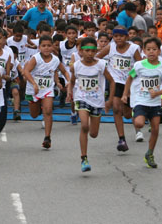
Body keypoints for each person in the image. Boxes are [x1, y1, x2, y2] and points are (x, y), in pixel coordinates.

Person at [122, 37, 162, 169]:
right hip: (140, 100)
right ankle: (135, 113)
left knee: (155, 128)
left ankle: (150, 154)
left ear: (159, 51)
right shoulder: (139, 65)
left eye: (154, 49)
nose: (151, 52)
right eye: (148, 49)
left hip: (155, 102)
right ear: (143, 51)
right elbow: (129, 78)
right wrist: (125, 94)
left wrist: (158, 92)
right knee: (139, 123)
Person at [67, 37, 114, 172]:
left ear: (95, 51)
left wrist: (109, 100)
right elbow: (72, 80)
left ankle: (85, 153)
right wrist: (70, 91)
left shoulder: (101, 64)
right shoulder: (76, 65)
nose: (89, 54)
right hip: (81, 98)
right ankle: (84, 158)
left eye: (92, 51)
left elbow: (112, 81)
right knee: (84, 125)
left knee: (93, 133)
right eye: (86, 50)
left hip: (97, 100)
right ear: (81, 51)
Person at [96, 26, 143, 150]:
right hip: (115, 81)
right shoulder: (110, 47)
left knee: (127, 114)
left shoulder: (133, 48)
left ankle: (136, 128)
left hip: (130, 82)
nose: (118, 38)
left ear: (126, 37)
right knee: (116, 108)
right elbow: (97, 57)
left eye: (121, 36)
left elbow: (141, 65)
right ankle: (121, 139)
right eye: (116, 36)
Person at [23, 35, 69, 150]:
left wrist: (67, 81)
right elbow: (26, 71)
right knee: (33, 115)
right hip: (33, 89)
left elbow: (63, 71)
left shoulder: (55, 59)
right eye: (44, 46)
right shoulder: (35, 58)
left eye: (49, 45)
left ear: (53, 47)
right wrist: (34, 83)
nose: (46, 48)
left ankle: (47, 137)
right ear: (39, 47)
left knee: (48, 111)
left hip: (47, 89)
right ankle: (39, 107)